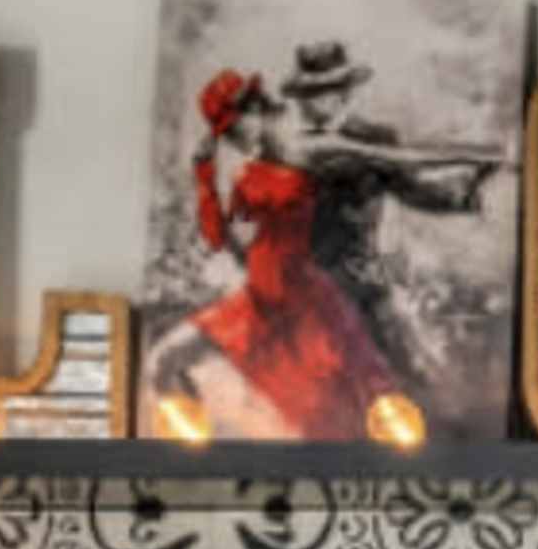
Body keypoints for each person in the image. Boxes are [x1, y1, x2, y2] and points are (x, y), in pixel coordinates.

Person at [140, 69, 405, 439]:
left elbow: (388, 159)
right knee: (162, 362)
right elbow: (220, 238)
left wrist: (464, 163)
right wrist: (204, 178)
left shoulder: (304, 150)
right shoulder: (248, 174)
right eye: (227, 135)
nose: (234, 139)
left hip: (307, 298)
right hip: (258, 299)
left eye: (236, 127)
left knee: (333, 409)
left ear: (257, 108)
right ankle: (181, 444)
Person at [274, 40, 507, 400]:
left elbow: (409, 187)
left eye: (316, 92)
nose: (305, 102)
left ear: (343, 94)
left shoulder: (376, 137)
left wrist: (466, 191)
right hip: (303, 279)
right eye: (304, 93)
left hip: (358, 274)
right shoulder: (292, 148)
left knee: (402, 368)